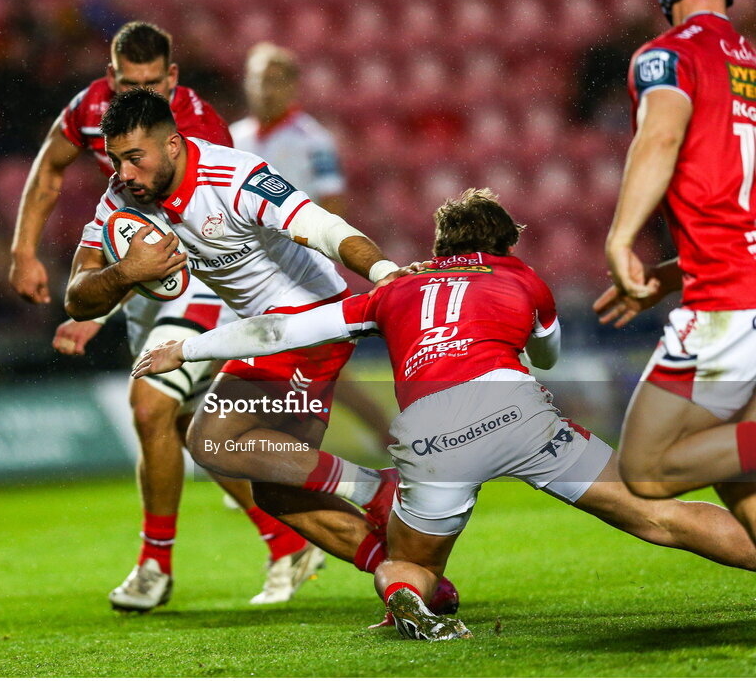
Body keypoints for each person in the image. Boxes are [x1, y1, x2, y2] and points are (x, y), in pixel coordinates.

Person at [134, 188, 756, 640]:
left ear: (438, 245)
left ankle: (407, 598)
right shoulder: (522, 278)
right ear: (503, 243)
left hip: (433, 433)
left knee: (409, 564)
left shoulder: (395, 287)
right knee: (657, 516)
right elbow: (547, 353)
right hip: (515, 411)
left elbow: (282, 330)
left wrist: (187, 348)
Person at [63, 87, 460, 615]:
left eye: (136, 158)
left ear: (175, 145)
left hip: (310, 323)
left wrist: (384, 273)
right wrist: (124, 273)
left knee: (212, 439)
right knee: (277, 495)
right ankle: (407, 574)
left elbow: (321, 227)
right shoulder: (121, 200)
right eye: (116, 160)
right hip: (265, 332)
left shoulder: (235, 176)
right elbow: (78, 295)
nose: (125, 172)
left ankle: (377, 489)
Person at [9, 21, 319, 611]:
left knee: (150, 403)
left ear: (171, 77)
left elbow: (186, 243)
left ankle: (155, 567)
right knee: (180, 428)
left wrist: (99, 311)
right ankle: (290, 539)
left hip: (196, 273)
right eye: (128, 81)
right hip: (146, 275)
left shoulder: (196, 129)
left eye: (151, 81)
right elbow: (50, 169)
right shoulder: (89, 108)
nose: (137, 91)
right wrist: (24, 251)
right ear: (111, 77)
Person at [592, 0, 756, 536]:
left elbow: (660, 134)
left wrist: (621, 238)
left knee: (647, 467)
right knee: (735, 468)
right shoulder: (749, 61)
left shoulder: (669, 55)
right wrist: (672, 271)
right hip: (734, 279)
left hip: (728, 300)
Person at [230, 42, 394, 454]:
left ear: (292, 86)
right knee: (301, 364)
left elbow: (332, 207)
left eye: (274, 80)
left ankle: (282, 453)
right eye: (257, 79)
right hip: (247, 269)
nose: (264, 89)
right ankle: (384, 437)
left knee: (308, 362)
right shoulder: (233, 138)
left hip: (299, 269)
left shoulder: (312, 141)